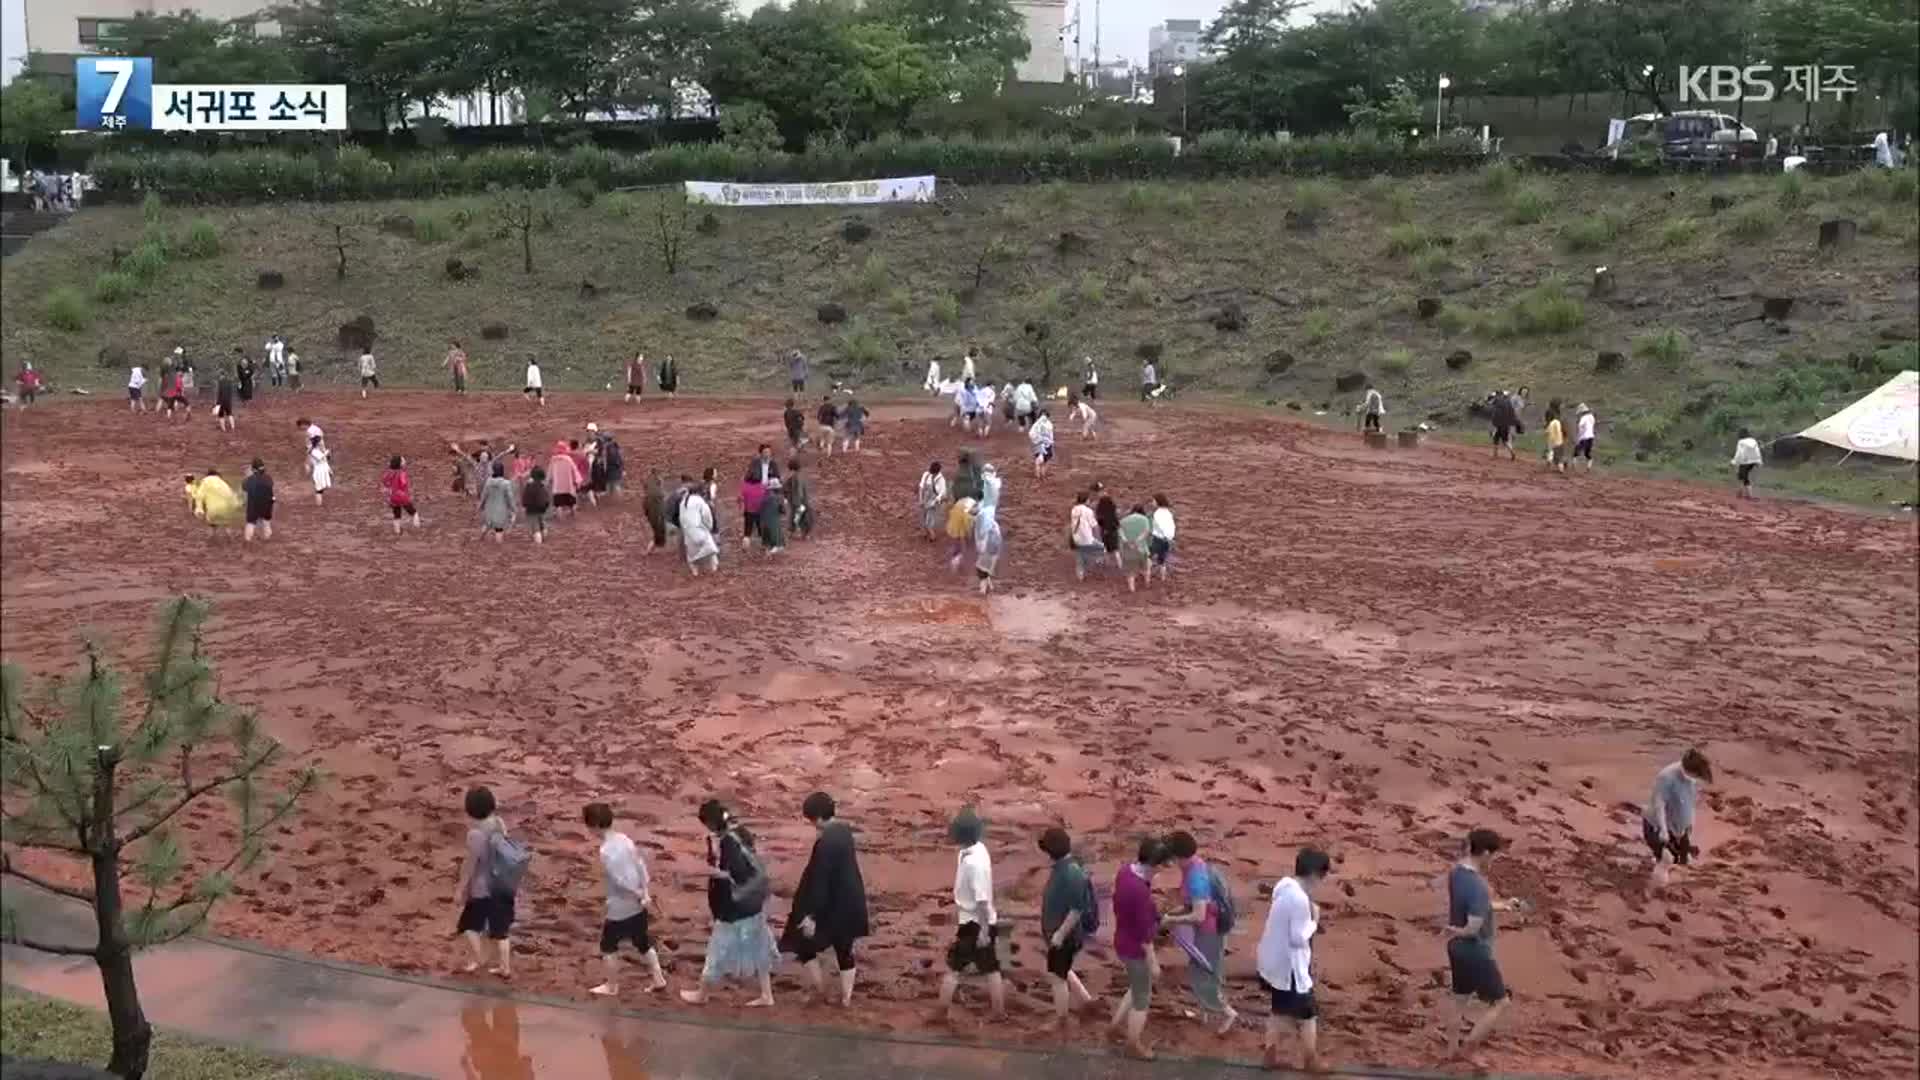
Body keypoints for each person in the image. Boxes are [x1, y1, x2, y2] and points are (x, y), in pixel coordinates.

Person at [680, 800, 777, 1008]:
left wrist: (710, 872)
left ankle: (702, 994)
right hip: (753, 903)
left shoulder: (727, 842)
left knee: (716, 951)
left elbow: (735, 874)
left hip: (734, 907)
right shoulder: (740, 831)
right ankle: (766, 994)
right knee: (759, 947)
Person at [781, 792, 871, 1008]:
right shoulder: (844, 831)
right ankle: (846, 999)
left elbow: (820, 882)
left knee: (802, 943)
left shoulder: (825, 844)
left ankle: (820, 989)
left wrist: (811, 915)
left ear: (817, 817)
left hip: (830, 907)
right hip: (851, 904)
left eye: (811, 820)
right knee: (844, 950)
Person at [1442, 828, 1521, 1066]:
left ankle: (1451, 1052)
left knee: (1460, 1001)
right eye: (1494, 855)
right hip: (1475, 950)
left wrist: (1504, 905)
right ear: (1485, 852)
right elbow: (1473, 925)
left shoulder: (1456, 873)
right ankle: (1469, 1049)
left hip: (1456, 949)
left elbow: (1476, 906)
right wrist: (1461, 930)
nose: (1493, 860)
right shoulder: (1479, 886)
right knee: (1500, 1002)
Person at [1257, 847, 1332, 1072]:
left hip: (1274, 961)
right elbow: (1299, 938)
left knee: (1278, 1010)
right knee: (1308, 1014)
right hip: (1290, 967)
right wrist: (1315, 920)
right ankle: (1311, 1060)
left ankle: (1269, 1056)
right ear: (1314, 874)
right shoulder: (1299, 899)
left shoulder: (1284, 886)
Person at [582, 802, 668, 997]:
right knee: (642, 941)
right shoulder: (625, 839)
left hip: (620, 906)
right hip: (639, 904)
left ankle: (611, 987)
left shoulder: (605, 851)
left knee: (608, 946)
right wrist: (644, 892)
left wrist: (637, 894)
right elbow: (640, 865)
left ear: (594, 825)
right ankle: (658, 978)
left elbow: (619, 880)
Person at [1163, 830, 1238, 1034]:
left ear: (1178, 856)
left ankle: (1227, 1013)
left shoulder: (1196, 877)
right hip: (1206, 929)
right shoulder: (1196, 865)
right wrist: (1174, 913)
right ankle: (1205, 1012)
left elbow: (1198, 915)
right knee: (1200, 970)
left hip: (1208, 932)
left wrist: (1171, 919)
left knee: (1205, 974)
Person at [938, 807, 1004, 1022]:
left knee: (954, 969)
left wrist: (983, 931)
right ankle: (998, 1012)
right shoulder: (977, 850)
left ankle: (940, 1013)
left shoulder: (972, 863)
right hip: (982, 921)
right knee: (991, 968)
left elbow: (982, 900)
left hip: (974, 924)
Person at [1109, 836, 1169, 1060]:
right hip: (1135, 949)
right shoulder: (1140, 892)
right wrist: (1153, 963)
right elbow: (1145, 936)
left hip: (1122, 939)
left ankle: (1114, 1026)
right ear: (1156, 864)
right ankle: (1133, 1044)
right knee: (1142, 998)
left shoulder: (1125, 872)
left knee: (1135, 987)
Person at [1037, 827, 1097, 1033]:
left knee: (1056, 976)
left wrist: (1059, 935)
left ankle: (1061, 1020)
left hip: (1064, 936)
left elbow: (1076, 910)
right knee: (1063, 968)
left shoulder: (1070, 874)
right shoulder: (1067, 867)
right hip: (1061, 934)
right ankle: (1086, 1001)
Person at [455, 786, 514, 978]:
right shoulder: (499, 823)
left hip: (482, 889)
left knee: (468, 925)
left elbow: (470, 865)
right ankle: (505, 968)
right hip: (503, 885)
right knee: (501, 931)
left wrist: (461, 888)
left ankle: (478, 959)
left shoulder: (474, 835)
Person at [1644, 749, 1712, 888]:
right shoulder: (1666, 777)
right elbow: (1659, 804)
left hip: (1679, 827)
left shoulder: (1692, 780)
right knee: (1666, 859)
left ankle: (1659, 861)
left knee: (1683, 859)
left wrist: (1689, 825)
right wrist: (1663, 829)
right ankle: (1655, 891)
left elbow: (1689, 802)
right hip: (1657, 825)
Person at [185, 469, 242, 537]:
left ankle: (211, 540)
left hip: (214, 510)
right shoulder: (223, 483)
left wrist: (199, 510)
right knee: (227, 525)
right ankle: (230, 539)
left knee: (212, 526)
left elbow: (199, 496)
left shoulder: (205, 481)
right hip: (227, 509)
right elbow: (232, 496)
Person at [680, 482, 719, 576]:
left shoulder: (683, 502)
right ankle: (714, 569)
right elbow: (707, 516)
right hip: (699, 531)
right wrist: (708, 527)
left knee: (692, 553)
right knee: (712, 550)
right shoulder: (699, 501)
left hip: (688, 533)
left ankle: (695, 572)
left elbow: (682, 518)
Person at [743, 445, 779, 540]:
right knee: (751, 514)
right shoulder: (755, 463)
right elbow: (748, 477)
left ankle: (763, 536)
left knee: (765, 515)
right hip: (755, 492)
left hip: (768, 492)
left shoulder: (773, 464)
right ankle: (749, 536)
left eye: (769, 452)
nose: (767, 455)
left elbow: (777, 477)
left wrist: (774, 483)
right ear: (760, 454)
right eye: (765, 452)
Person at [973, 485, 1004, 595]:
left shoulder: (982, 514)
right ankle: (989, 586)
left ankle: (983, 591)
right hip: (996, 538)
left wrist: (981, 546)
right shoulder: (989, 507)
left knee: (981, 568)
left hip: (989, 540)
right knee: (985, 565)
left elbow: (982, 533)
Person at [381, 455, 422, 533]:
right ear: (400, 464)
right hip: (401, 496)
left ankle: (397, 530)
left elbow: (384, 481)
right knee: (413, 512)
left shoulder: (388, 473)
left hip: (392, 497)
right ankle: (417, 526)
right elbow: (403, 483)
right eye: (403, 461)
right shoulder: (402, 473)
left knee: (397, 514)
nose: (405, 462)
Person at [1069, 491, 1103, 582]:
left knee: (1080, 558)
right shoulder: (1088, 511)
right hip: (1087, 539)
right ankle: (1097, 564)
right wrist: (1099, 536)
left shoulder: (1073, 510)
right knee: (1102, 549)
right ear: (1086, 500)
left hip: (1076, 539)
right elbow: (1094, 526)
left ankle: (1080, 577)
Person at [1119, 503, 1153, 592]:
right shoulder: (1144, 519)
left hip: (1128, 550)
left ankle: (1132, 589)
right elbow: (1146, 532)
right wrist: (1137, 541)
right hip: (1141, 548)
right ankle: (1147, 583)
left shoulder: (1123, 520)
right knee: (1146, 567)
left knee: (1130, 572)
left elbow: (1121, 534)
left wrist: (1127, 542)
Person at [480, 461, 515, 542]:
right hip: (501, 512)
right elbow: (510, 498)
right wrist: (513, 509)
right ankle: (498, 545)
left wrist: (480, 506)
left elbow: (484, 495)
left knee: (486, 525)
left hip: (489, 510)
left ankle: (481, 540)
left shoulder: (488, 482)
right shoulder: (506, 483)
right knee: (499, 530)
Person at [242, 458, 274, 543]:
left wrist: (248, 476)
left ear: (253, 469)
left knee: (251, 523)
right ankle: (267, 538)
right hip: (267, 504)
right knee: (266, 522)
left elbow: (244, 487)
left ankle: (248, 540)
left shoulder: (250, 479)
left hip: (254, 505)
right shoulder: (268, 478)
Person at [547, 441, 581, 518]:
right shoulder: (568, 459)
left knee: (558, 506)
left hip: (557, 488)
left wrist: (547, 481)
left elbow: (550, 472)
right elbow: (574, 471)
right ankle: (574, 520)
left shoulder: (553, 460)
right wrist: (577, 481)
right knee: (572, 505)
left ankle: (561, 522)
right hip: (568, 487)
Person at [945, 496, 978, 573]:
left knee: (956, 545)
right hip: (958, 529)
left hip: (952, 525)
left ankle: (955, 561)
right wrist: (969, 536)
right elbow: (968, 527)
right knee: (961, 547)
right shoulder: (967, 513)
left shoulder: (967, 500)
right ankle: (956, 563)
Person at [1092, 484, 1121, 569]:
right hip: (1113, 527)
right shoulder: (1109, 501)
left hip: (1106, 529)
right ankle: (1118, 565)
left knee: (1107, 548)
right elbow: (1115, 513)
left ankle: (1108, 565)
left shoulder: (1102, 502)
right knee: (1114, 549)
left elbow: (1100, 517)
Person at [917, 462, 948, 541]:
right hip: (925, 498)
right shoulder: (926, 474)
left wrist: (934, 503)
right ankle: (925, 534)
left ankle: (932, 536)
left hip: (934, 502)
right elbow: (921, 487)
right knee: (922, 517)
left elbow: (941, 494)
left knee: (929, 521)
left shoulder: (941, 480)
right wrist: (921, 499)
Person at [757, 477, 788, 554]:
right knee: (776, 531)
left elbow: (759, 508)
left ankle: (767, 547)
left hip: (763, 521)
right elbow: (783, 510)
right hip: (773, 521)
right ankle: (776, 547)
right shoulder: (779, 497)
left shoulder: (764, 496)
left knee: (766, 536)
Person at [1149, 494, 1176, 582]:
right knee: (1162, 560)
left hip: (1158, 539)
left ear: (1158, 502)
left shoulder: (1157, 513)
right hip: (1167, 539)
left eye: (1153, 501)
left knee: (1148, 557)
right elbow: (1172, 526)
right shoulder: (1168, 512)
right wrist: (1170, 538)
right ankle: (1163, 578)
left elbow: (1159, 527)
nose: (1152, 503)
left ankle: (1147, 576)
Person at [521, 466, 551, 544]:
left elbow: (525, 497)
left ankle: (538, 543)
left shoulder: (529, 486)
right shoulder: (543, 486)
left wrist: (524, 505)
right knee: (542, 523)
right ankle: (544, 537)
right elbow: (546, 497)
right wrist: (546, 505)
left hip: (531, 509)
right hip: (542, 508)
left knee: (535, 527)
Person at [787, 459, 815, 540]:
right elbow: (800, 490)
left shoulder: (794, 477)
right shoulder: (800, 476)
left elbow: (797, 490)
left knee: (796, 517)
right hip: (801, 501)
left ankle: (793, 533)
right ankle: (803, 534)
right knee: (803, 518)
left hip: (797, 501)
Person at [1488, 391, 1521, 461]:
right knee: (1499, 439)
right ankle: (1497, 454)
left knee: (1501, 440)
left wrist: (1493, 426)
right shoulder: (1507, 404)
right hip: (1506, 425)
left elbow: (1495, 416)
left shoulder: (1497, 405)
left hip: (1500, 425)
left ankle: (1511, 453)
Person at [1732, 427, 1763, 499]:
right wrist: (1759, 461)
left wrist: (1734, 461)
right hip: (1754, 461)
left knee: (1743, 477)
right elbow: (1757, 451)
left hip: (1746, 461)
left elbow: (1739, 453)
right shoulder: (1753, 440)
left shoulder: (1741, 442)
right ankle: (1740, 492)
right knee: (1742, 476)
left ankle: (1748, 494)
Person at [1028, 408, 1056, 478]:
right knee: (1041, 461)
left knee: (1044, 461)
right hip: (1042, 444)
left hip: (1043, 444)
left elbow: (1032, 433)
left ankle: (1041, 475)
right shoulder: (1048, 424)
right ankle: (1039, 476)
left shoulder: (1040, 423)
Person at [308, 438, 334, 507]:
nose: (322, 443)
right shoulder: (313, 451)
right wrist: (326, 452)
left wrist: (329, 469)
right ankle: (318, 506)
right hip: (319, 471)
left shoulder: (319, 450)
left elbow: (325, 460)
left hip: (323, 470)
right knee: (319, 489)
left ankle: (319, 505)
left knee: (321, 489)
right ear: (317, 443)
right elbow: (321, 458)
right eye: (320, 442)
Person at [1545, 402, 1567, 473]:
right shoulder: (1557, 422)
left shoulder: (1550, 423)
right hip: (1559, 441)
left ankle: (1549, 459)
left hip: (1551, 440)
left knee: (1551, 451)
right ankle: (1561, 468)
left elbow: (1547, 432)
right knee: (1559, 456)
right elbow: (1560, 430)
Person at [1574, 403, 1597, 472]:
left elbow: (1580, 426)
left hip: (1584, 437)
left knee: (1576, 452)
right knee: (1587, 453)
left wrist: (1579, 435)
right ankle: (1589, 466)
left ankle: (1575, 467)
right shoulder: (1592, 417)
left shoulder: (1583, 418)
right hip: (1591, 436)